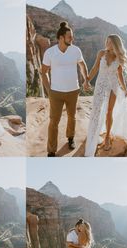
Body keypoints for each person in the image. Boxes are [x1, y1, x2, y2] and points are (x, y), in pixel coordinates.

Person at [42, 21, 90, 156]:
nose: (72, 39)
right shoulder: (50, 52)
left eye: (72, 36)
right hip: (55, 92)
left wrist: (86, 79)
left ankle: (70, 138)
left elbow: (82, 64)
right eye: (69, 37)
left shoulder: (76, 50)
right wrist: (48, 90)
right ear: (61, 38)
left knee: (72, 117)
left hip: (73, 90)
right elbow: (44, 71)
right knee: (53, 122)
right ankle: (51, 151)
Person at [85, 34, 127, 156]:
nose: (107, 44)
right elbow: (95, 68)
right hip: (100, 86)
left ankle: (107, 137)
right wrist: (87, 80)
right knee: (96, 110)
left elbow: (120, 75)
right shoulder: (101, 53)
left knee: (109, 111)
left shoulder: (118, 57)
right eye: (107, 41)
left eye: (110, 42)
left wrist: (125, 89)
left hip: (113, 86)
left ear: (116, 44)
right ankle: (93, 135)